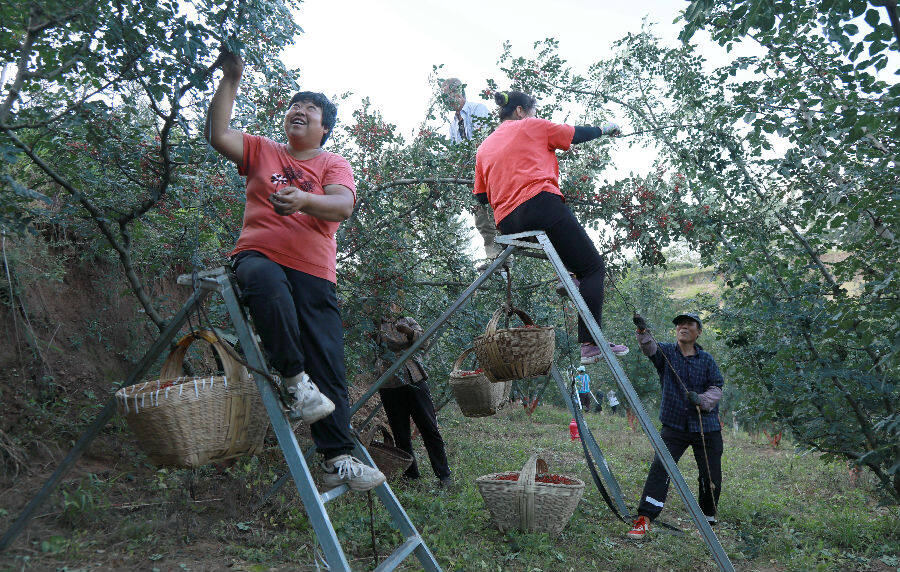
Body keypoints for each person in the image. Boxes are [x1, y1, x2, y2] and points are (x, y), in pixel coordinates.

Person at [206, 50, 385, 492]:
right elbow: (217, 133)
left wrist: (305, 200)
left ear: (325, 128)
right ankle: (295, 381)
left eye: (312, 110)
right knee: (266, 286)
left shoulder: (331, 163)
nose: (299, 111)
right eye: (295, 106)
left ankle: (337, 458)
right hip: (260, 254)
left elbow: (342, 205)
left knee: (329, 361)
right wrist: (231, 80)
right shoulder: (262, 151)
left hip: (316, 271)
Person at [473, 90, 629, 363]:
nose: (535, 115)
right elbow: (575, 134)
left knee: (567, 254)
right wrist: (605, 129)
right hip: (540, 205)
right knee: (593, 268)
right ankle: (590, 344)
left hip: (508, 224)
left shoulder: (483, 148)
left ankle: (569, 277)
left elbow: (481, 197)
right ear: (521, 111)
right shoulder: (531, 125)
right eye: (533, 110)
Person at [626, 312, 724, 540]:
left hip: (706, 428)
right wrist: (642, 331)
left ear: (698, 332)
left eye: (689, 324)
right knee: (660, 470)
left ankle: (707, 524)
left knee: (710, 477)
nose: (683, 327)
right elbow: (649, 349)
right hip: (674, 426)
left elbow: (717, 387)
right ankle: (645, 519)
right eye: (680, 323)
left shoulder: (707, 359)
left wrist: (702, 400)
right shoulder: (667, 353)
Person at [374, 304, 452, 487]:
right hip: (389, 383)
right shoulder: (375, 325)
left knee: (429, 427)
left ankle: (443, 475)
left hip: (414, 379)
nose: (390, 307)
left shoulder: (408, 321)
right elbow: (379, 344)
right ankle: (411, 476)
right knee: (401, 432)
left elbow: (423, 342)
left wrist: (409, 333)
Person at [440, 78, 503, 269]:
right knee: (481, 219)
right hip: (471, 176)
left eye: (446, 97)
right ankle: (495, 259)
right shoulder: (452, 124)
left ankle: (504, 256)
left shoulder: (478, 110)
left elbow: (484, 142)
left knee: (497, 214)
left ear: (458, 93)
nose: (445, 102)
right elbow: (453, 153)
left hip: (488, 171)